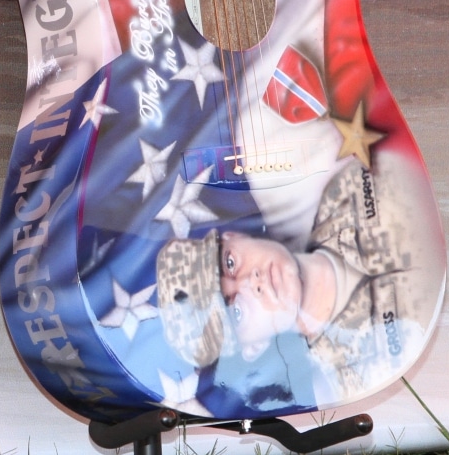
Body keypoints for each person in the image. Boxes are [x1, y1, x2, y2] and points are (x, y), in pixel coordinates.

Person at [155, 160, 427, 410]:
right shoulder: (360, 377)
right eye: (235, 311)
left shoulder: (348, 189)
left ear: (235, 236)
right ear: (254, 347)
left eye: (230, 263)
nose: (250, 282)